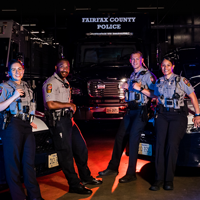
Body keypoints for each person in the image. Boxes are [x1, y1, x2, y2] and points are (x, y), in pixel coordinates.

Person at [42, 58, 102, 195]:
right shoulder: (51, 83)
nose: (65, 69)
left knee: (81, 148)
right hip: (58, 122)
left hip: (69, 120)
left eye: (67, 67)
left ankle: (86, 178)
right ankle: (74, 185)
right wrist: (69, 105)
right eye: (62, 66)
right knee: (66, 154)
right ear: (56, 67)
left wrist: (70, 110)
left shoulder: (64, 82)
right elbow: (50, 104)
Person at [98, 51, 156, 183]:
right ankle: (113, 168)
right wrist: (126, 87)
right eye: (132, 59)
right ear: (130, 61)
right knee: (120, 137)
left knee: (133, 139)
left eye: (137, 59)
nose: (135, 61)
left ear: (142, 60)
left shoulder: (148, 76)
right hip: (130, 110)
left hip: (141, 110)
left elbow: (155, 95)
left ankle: (131, 173)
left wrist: (140, 89)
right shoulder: (133, 74)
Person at [149, 57, 200, 191]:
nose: (165, 68)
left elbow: (193, 96)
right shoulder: (159, 81)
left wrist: (197, 115)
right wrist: (140, 89)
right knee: (160, 144)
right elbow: (154, 96)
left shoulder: (181, 80)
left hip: (177, 116)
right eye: (163, 66)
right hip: (162, 115)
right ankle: (158, 179)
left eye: (168, 65)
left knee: (172, 145)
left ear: (173, 66)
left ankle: (168, 179)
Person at [0, 59, 43, 200]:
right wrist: (14, 96)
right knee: (13, 164)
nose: (17, 72)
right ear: (9, 73)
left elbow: (30, 106)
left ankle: (35, 196)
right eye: (13, 69)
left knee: (29, 162)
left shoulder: (27, 86)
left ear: (23, 71)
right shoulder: (4, 87)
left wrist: (30, 120)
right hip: (12, 125)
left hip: (25, 126)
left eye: (19, 69)